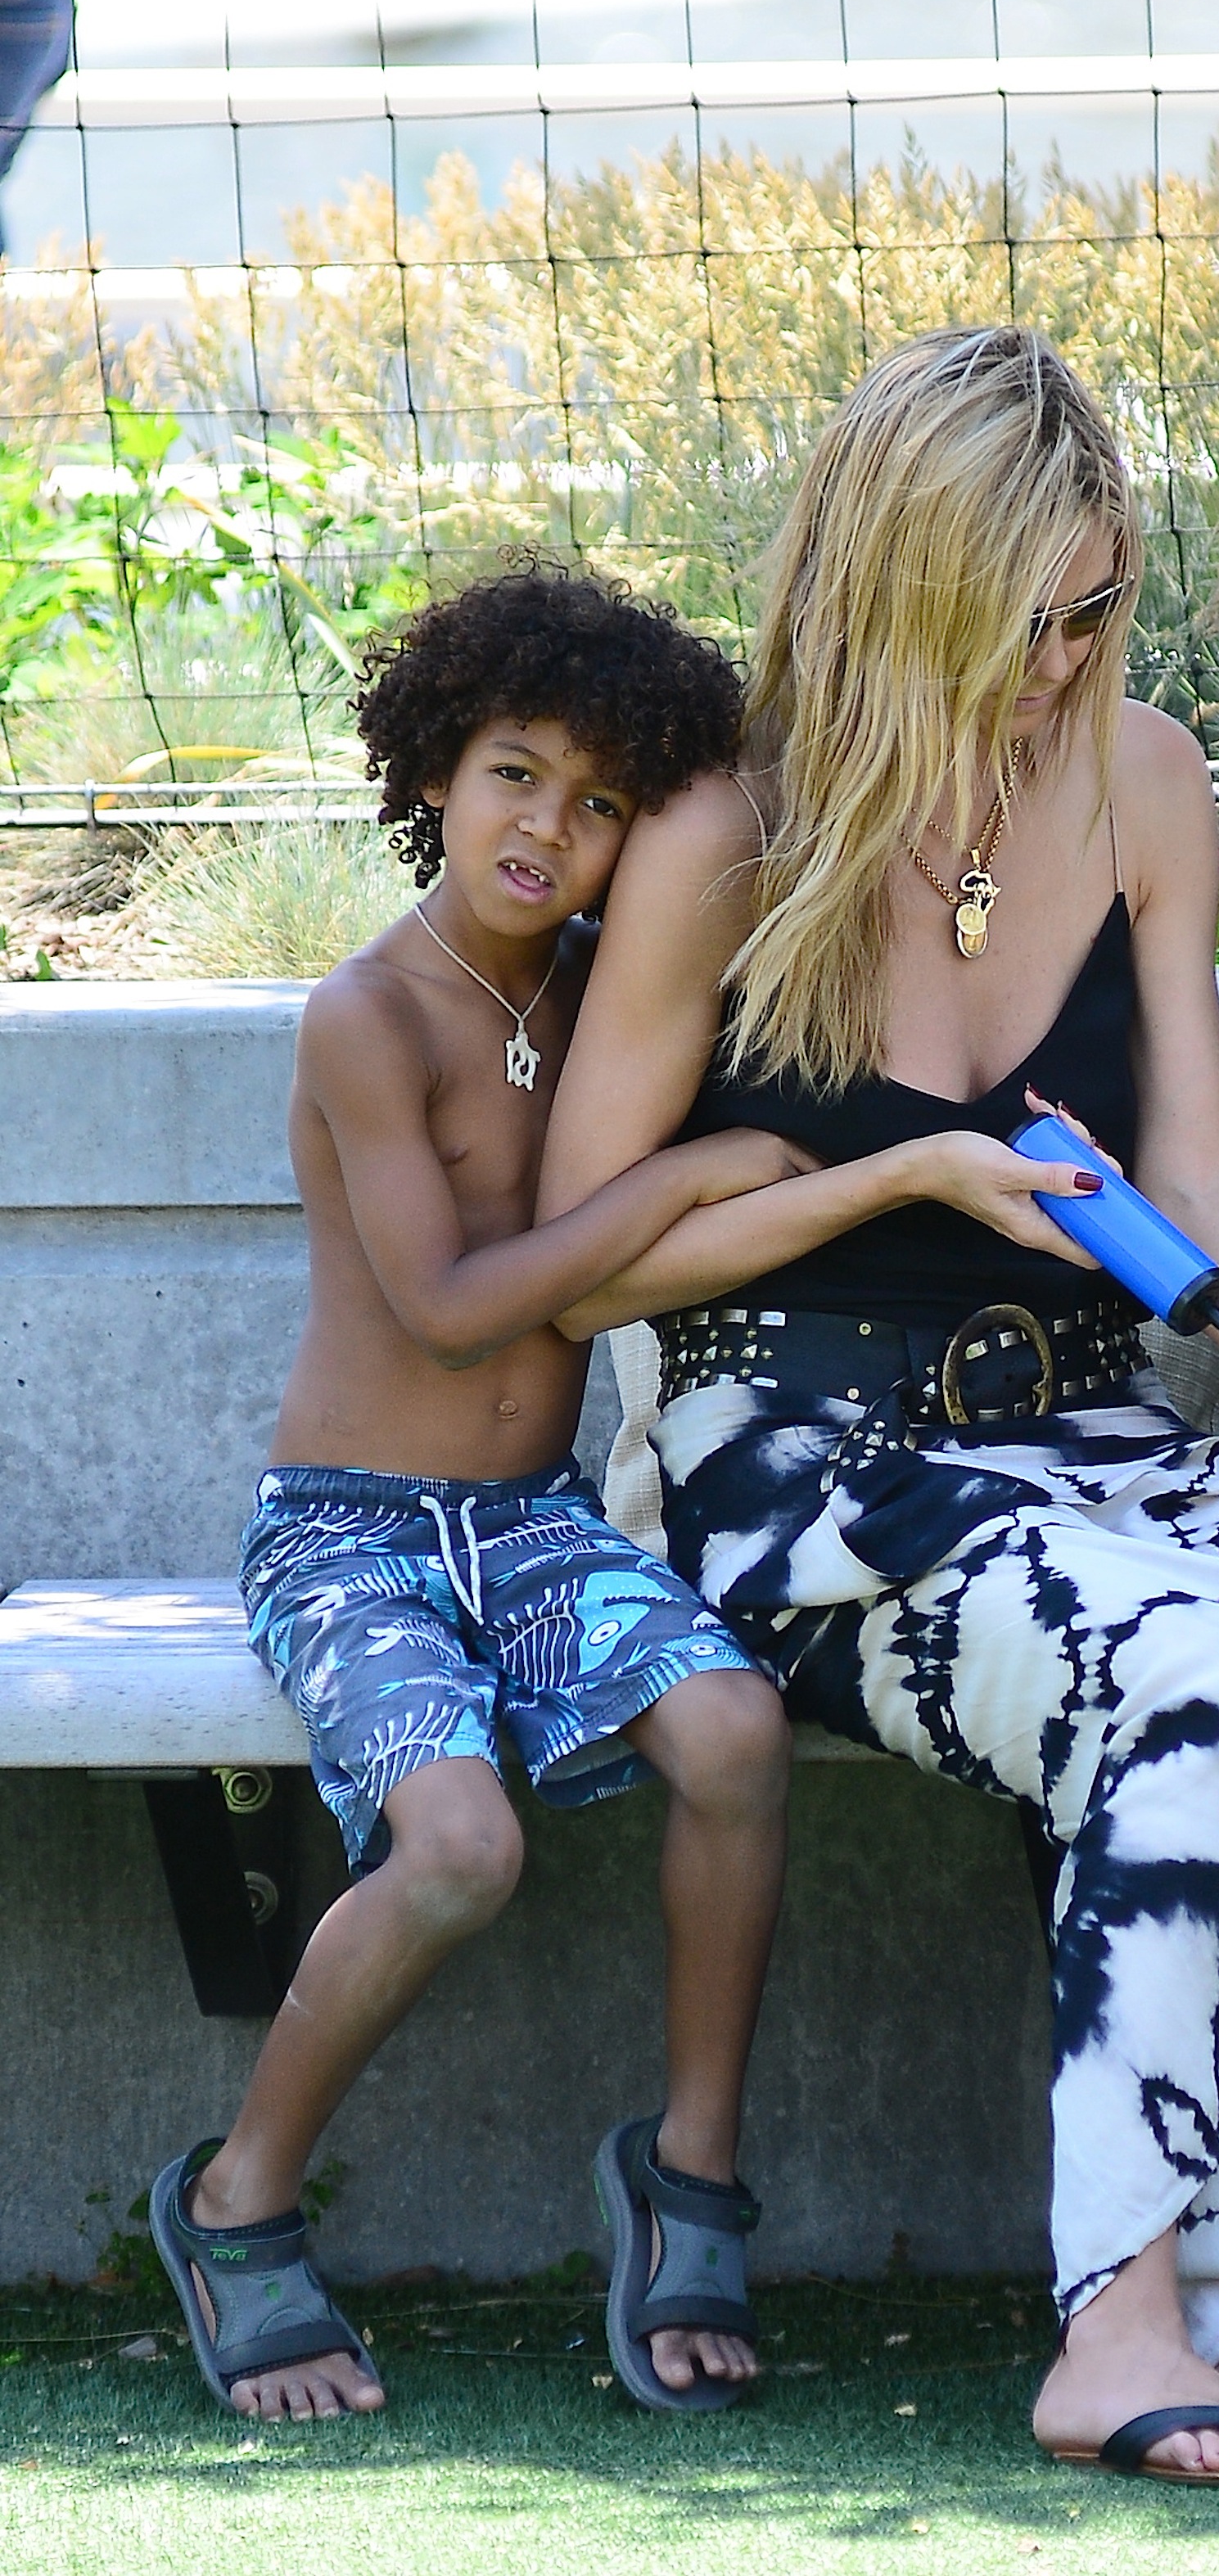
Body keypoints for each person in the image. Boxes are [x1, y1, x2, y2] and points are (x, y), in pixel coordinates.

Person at [535, 327, 1219, 2486]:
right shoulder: (722, 822)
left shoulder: (1139, 773)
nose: (1062, 661)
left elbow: (1198, 1179)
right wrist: (919, 1176)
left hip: (1098, 1421)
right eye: (1021, 620)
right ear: (898, 582)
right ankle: (1113, 2320)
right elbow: (583, 1257)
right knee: (1163, 1665)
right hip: (787, 1466)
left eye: (1098, 608)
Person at [151, 566, 802, 2424]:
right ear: (435, 765)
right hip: (350, 1524)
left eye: (603, 803)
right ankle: (236, 2198)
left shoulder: (612, 996)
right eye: (516, 773)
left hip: (529, 1526)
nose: (552, 829)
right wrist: (687, 1184)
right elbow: (442, 1308)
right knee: (461, 1844)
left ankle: (689, 2171)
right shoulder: (371, 1016)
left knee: (737, 1727)